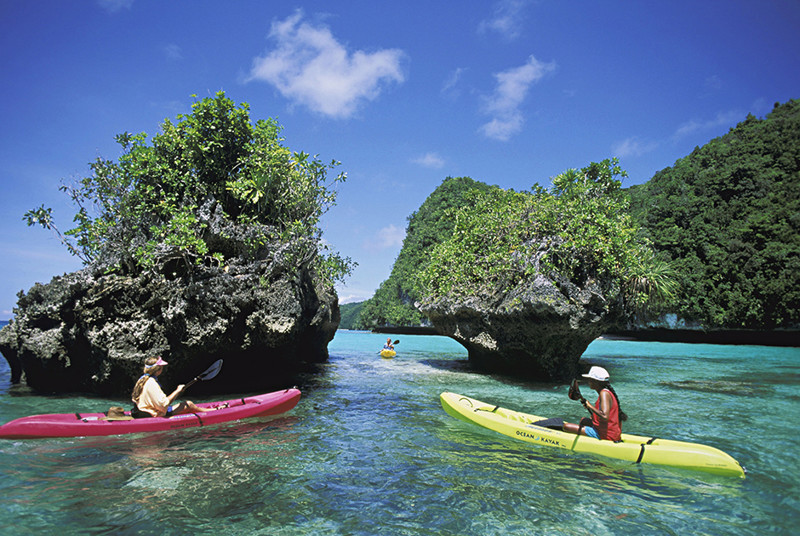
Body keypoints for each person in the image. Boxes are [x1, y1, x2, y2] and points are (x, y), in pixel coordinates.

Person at [131, 356, 213, 418]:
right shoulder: (151, 383)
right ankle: (212, 412)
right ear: (158, 369)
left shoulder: (142, 379)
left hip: (142, 411)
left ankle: (210, 411)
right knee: (188, 404)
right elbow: (163, 404)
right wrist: (177, 391)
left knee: (187, 404)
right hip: (153, 414)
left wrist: (178, 392)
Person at [561, 366, 627, 441]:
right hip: (611, 432)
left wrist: (590, 406)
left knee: (566, 426)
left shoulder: (604, 394)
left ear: (596, 382)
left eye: (590, 380)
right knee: (583, 421)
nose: (589, 382)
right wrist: (591, 410)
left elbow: (605, 416)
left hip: (606, 435)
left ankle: (592, 439)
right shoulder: (607, 392)